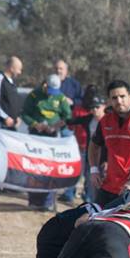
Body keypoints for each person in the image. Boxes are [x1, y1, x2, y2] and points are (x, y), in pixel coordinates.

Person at [22, 74, 73, 211]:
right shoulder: (34, 96)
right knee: (34, 167)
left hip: (52, 137)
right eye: (50, 91)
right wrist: (35, 124)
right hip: (35, 135)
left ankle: (47, 202)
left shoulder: (60, 98)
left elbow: (67, 115)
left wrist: (57, 125)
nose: (52, 95)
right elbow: (25, 113)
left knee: (49, 168)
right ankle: (33, 200)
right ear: (45, 85)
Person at [66, 85, 106, 203]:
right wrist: (62, 119)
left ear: (104, 106)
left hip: (106, 158)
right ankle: (90, 202)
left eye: (97, 107)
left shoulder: (110, 120)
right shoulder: (89, 119)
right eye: (92, 108)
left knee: (104, 183)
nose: (94, 110)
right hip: (91, 155)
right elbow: (72, 121)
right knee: (90, 179)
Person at [54, 60, 83, 204]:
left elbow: (82, 101)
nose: (58, 71)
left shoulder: (74, 84)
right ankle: (49, 192)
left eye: (61, 68)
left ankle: (69, 193)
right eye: (56, 68)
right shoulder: (50, 82)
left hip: (68, 128)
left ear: (66, 70)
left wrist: (71, 101)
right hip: (51, 127)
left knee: (70, 160)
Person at [0, 56, 24, 130]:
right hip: (1, 124)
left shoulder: (12, 83)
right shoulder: (0, 78)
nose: (20, 72)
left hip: (12, 125)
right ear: (12, 68)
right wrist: (5, 117)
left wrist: (17, 117)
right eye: (19, 69)